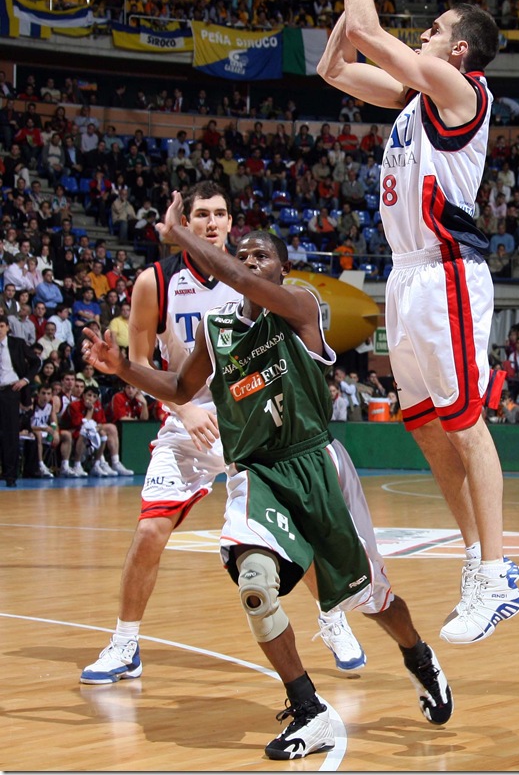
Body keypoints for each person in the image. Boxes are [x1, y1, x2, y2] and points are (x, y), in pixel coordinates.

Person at [83, 205, 453, 758]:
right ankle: (308, 707)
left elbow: (237, 279)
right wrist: (124, 370)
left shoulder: (301, 306)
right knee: (254, 583)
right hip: (257, 472)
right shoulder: (219, 328)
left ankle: (418, 655)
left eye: (264, 256)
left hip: (317, 467)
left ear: (282, 269)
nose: (252, 261)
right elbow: (181, 388)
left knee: (371, 598)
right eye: (246, 254)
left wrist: (181, 234)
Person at [317, 0, 519, 646]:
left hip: (448, 274)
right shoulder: (414, 102)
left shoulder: (458, 87)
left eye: (432, 28)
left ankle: (496, 574)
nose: (424, 32)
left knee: (466, 421)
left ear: (457, 48)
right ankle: (475, 557)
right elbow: (335, 67)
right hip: (405, 277)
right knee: (427, 425)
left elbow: (372, 40)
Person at [79, 182, 368, 689]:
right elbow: (147, 365)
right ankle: (125, 642)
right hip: (187, 415)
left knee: (291, 528)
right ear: (185, 222)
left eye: (220, 215)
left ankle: (332, 618)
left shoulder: (249, 277)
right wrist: (182, 407)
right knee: (149, 531)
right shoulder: (155, 282)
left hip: (251, 420)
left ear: (231, 224)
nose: (212, 222)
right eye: (201, 215)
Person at [0, 314, 41, 485]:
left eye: (1, 326)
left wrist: (24, 380)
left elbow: (36, 362)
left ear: (8, 327)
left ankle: (11, 475)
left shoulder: (17, 344)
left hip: (10, 391)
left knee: (10, 434)